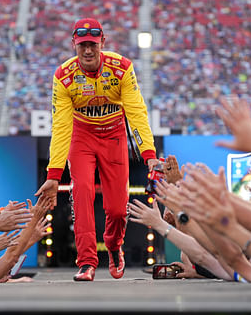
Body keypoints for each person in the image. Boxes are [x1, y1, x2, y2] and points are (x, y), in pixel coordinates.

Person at [35, 18, 159, 281]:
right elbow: (60, 127)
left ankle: (114, 246)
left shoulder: (122, 68)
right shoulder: (63, 77)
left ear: (103, 43)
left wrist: (148, 155)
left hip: (114, 136)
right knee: (81, 195)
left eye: (92, 45)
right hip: (81, 139)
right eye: (82, 46)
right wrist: (54, 175)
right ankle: (87, 262)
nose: (88, 51)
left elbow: (136, 112)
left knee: (116, 209)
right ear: (73, 45)